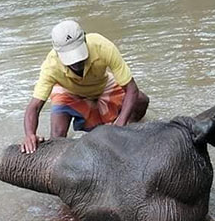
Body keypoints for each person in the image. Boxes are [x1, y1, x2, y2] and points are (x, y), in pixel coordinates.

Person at [21, 19, 149, 153]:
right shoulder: (51, 66)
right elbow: (34, 107)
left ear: (85, 40)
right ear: (58, 52)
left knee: (141, 101)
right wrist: (30, 134)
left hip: (102, 84)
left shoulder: (102, 46)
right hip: (68, 91)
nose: (76, 63)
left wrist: (120, 124)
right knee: (57, 137)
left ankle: (128, 127)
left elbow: (131, 89)